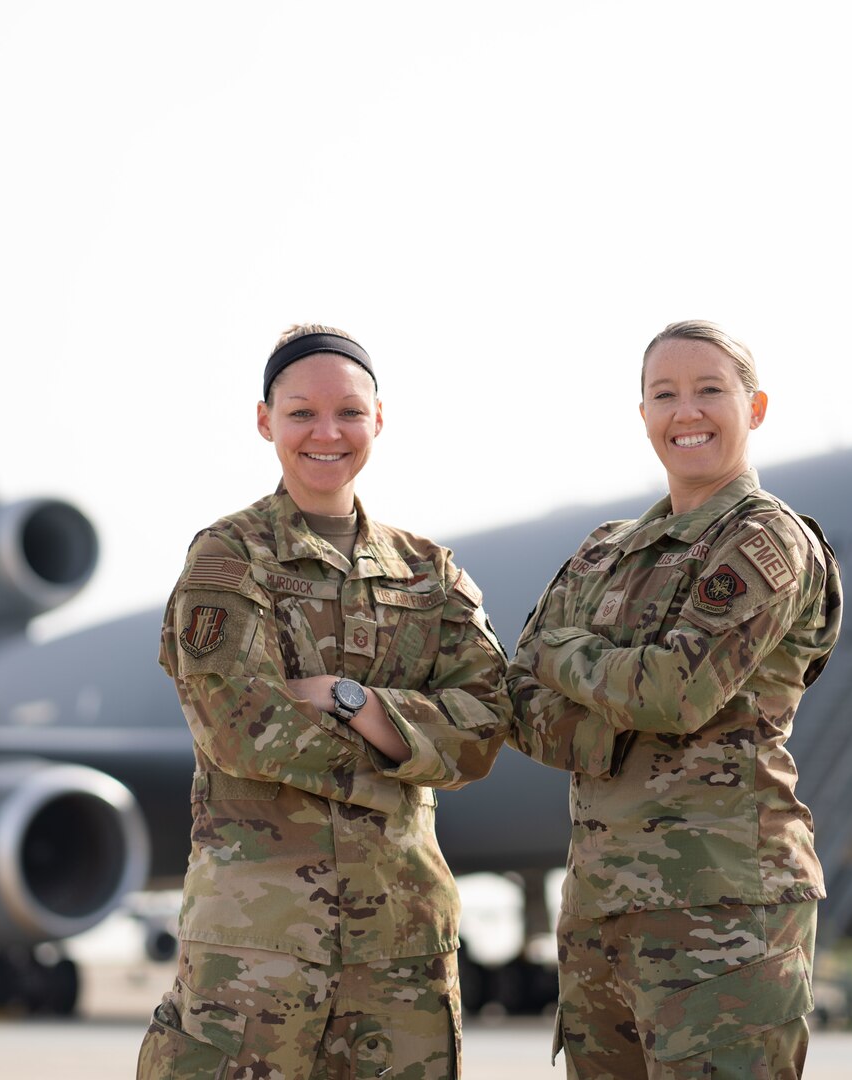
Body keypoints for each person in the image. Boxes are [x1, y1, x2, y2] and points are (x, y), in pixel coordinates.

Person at [137, 325, 510, 1079]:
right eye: (301, 412)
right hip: (258, 950)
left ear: (379, 418)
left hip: (402, 952)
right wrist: (407, 744)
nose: (326, 432)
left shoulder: (427, 572)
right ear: (264, 421)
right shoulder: (227, 558)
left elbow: (485, 730)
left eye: (348, 411)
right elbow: (240, 731)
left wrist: (351, 701)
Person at [508, 320, 842, 1079]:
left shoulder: (765, 542)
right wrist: (611, 730)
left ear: (753, 408)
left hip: (722, 910)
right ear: (644, 417)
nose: (685, 412)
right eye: (664, 394)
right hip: (600, 910)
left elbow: (676, 692)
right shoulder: (603, 552)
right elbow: (518, 698)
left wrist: (573, 656)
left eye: (708, 391)